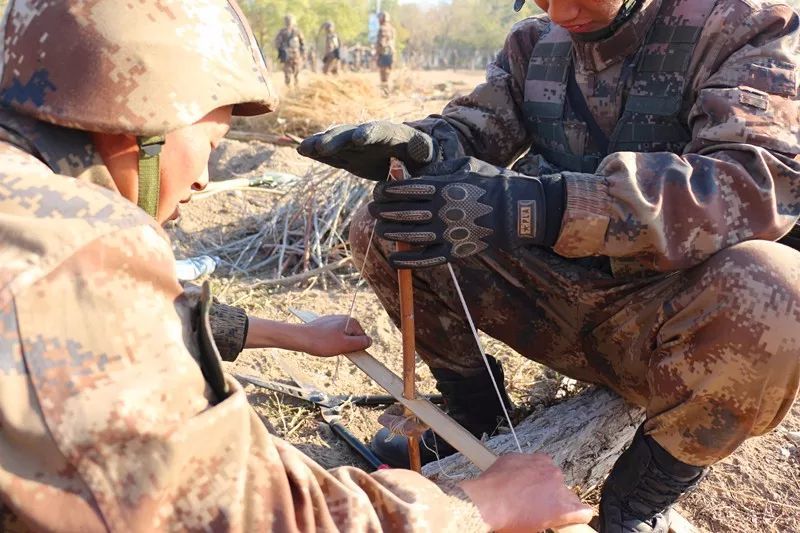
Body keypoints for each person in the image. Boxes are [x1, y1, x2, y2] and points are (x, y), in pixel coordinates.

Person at [0, 1, 593, 531]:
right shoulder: (69, 255)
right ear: (140, 125)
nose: (206, 178)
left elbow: (136, 322)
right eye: (208, 143)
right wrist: (476, 507)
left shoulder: (34, 210)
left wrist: (295, 336)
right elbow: (239, 515)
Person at [297, 0, 800, 531]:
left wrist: (541, 207)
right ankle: (475, 412)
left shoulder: (746, 27)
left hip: (664, 324)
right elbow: (473, 128)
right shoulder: (534, 44)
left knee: (779, 291)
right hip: (550, 300)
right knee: (392, 221)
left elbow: (754, 184)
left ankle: (638, 502)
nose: (562, 12)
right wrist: (422, 147)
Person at [274, 14, 305, 88]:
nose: (289, 21)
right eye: (287, 20)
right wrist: (281, 50)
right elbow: (277, 43)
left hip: (296, 55)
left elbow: (302, 43)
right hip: (287, 55)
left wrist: (303, 53)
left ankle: (296, 88)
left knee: (297, 73)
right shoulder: (282, 32)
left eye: (290, 20)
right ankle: (289, 89)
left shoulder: (297, 31)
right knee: (288, 73)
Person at [375, 12, 396, 93]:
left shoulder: (382, 29)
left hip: (384, 53)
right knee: (388, 73)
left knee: (383, 74)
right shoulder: (392, 29)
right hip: (391, 53)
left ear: (382, 19)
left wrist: (377, 54)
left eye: (379, 18)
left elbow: (381, 43)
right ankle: (386, 90)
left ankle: (385, 91)